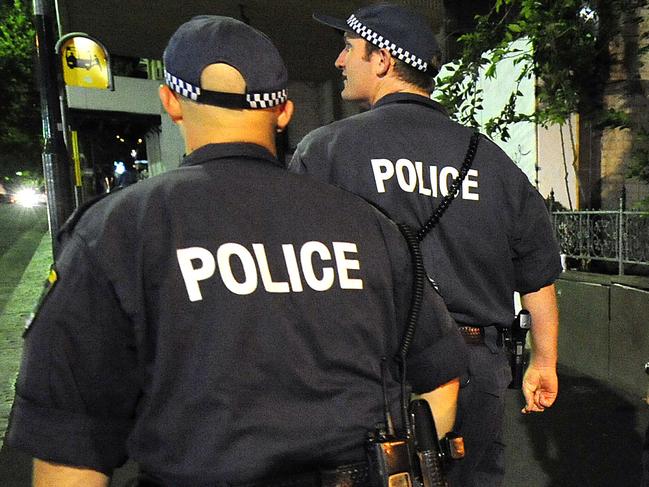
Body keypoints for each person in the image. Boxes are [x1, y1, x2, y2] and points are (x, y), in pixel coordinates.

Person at [6, 15, 468, 487]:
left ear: (171, 102)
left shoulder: (115, 231)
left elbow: (70, 448)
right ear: (283, 111)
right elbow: (441, 376)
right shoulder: (371, 226)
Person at [289, 4, 562, 486]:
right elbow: (537, 274)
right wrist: (544, 361)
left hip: (370, 369)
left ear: (381, 61)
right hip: (475, 367)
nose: (338, 61)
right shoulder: (493, 162)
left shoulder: (325, 151)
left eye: (348, 48)